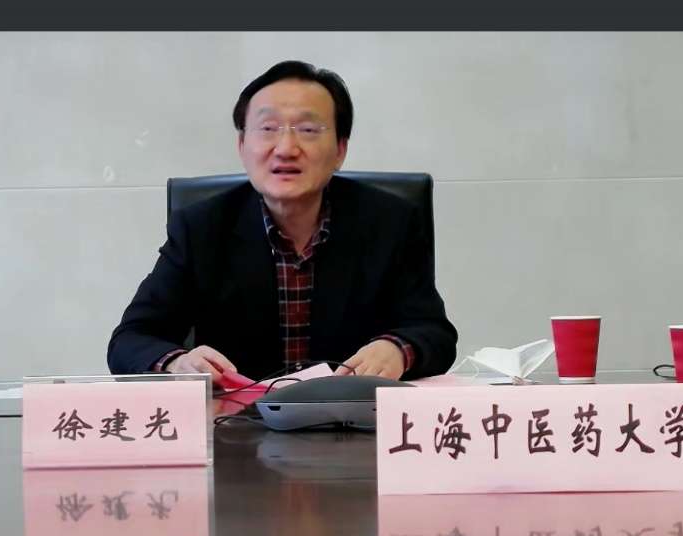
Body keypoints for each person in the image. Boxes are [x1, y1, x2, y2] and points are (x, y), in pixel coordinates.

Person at [107, 61, 458, 383]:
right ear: (242, 145)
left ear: (340, 149)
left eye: (308, 129)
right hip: (239, 423)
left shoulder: (390, 221)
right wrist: (177, 362)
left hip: (355, 420)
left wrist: (398, 349)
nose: (286, 148)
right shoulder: (201, 228)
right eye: (268, 128)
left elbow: (434, 332)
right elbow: (130, 339)